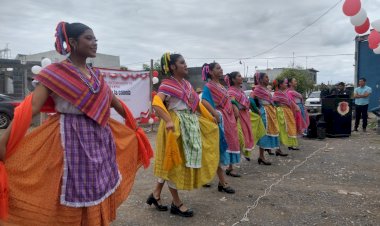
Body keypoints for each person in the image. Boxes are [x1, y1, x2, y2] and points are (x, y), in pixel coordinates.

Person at [0, 22, 152, 225]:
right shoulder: (54, 73)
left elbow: (115, 103)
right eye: (89, 38)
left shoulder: (96, 75)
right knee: (68, 189)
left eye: (95, 39)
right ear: (72, 42)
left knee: (98, 186)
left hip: (99, 139)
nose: (94, 43)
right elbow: (31, 108)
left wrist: (135, 128)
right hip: (70, 139)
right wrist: (4, 140)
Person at [146, 53, 219, 217]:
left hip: (189, 124)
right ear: (173, 67)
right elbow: (156, 103)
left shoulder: (186, 84)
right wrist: (167, 120)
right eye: (182, 62)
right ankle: (176, 203)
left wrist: (210, 117)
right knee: (174, 163)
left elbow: (197, 104)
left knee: (172, 162)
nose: (186, 65)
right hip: (175, 126)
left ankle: (156, 195)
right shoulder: (167, 84)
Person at [201, 62, 238, 192]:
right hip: (218, 121)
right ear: (210, 72)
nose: (221, 69)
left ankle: (220, 182)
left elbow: (229, 100)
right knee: (217, 150)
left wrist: (234, 107)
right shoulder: (209, 86)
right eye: (217, 68)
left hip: (227, 120)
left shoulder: (221, 86)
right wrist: (215, 113)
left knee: (220, 150)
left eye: (221, 67)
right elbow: (204, 101)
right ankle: (223, 182)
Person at [251, 72, 283, 165]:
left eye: (268, 77)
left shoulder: (266, 89)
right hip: (264, 112)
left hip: (271, 112)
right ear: (260, 79)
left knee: (270, 132)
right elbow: (251, 99)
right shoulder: (257, 89)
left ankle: (263, 156)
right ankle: (261, 156)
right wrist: (257, 110)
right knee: (264, 134)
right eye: (266, 77)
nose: (268, 79)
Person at [225, 72, 255, 160]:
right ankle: (231, 165)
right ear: (233, 79)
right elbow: (231, 103)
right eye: (239, 76)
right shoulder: (231, 91)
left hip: (245, 115)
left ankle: (241, 155)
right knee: (236, 139)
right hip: (237, 117)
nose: (241, 77)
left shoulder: (241, 91)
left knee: (244, 137)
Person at [273, 79, 298, 150]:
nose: (286, 85)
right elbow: (274, 101)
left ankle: (291, 144)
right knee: (281, 129)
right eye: (285, 83)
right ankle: (278, 149)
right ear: (280, 85)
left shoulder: (286, 93)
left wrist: (296, 106)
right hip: (281, 113)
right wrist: (280, 106)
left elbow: (289, 101)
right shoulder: (277, 93)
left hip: (288, 112)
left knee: (291, 127)